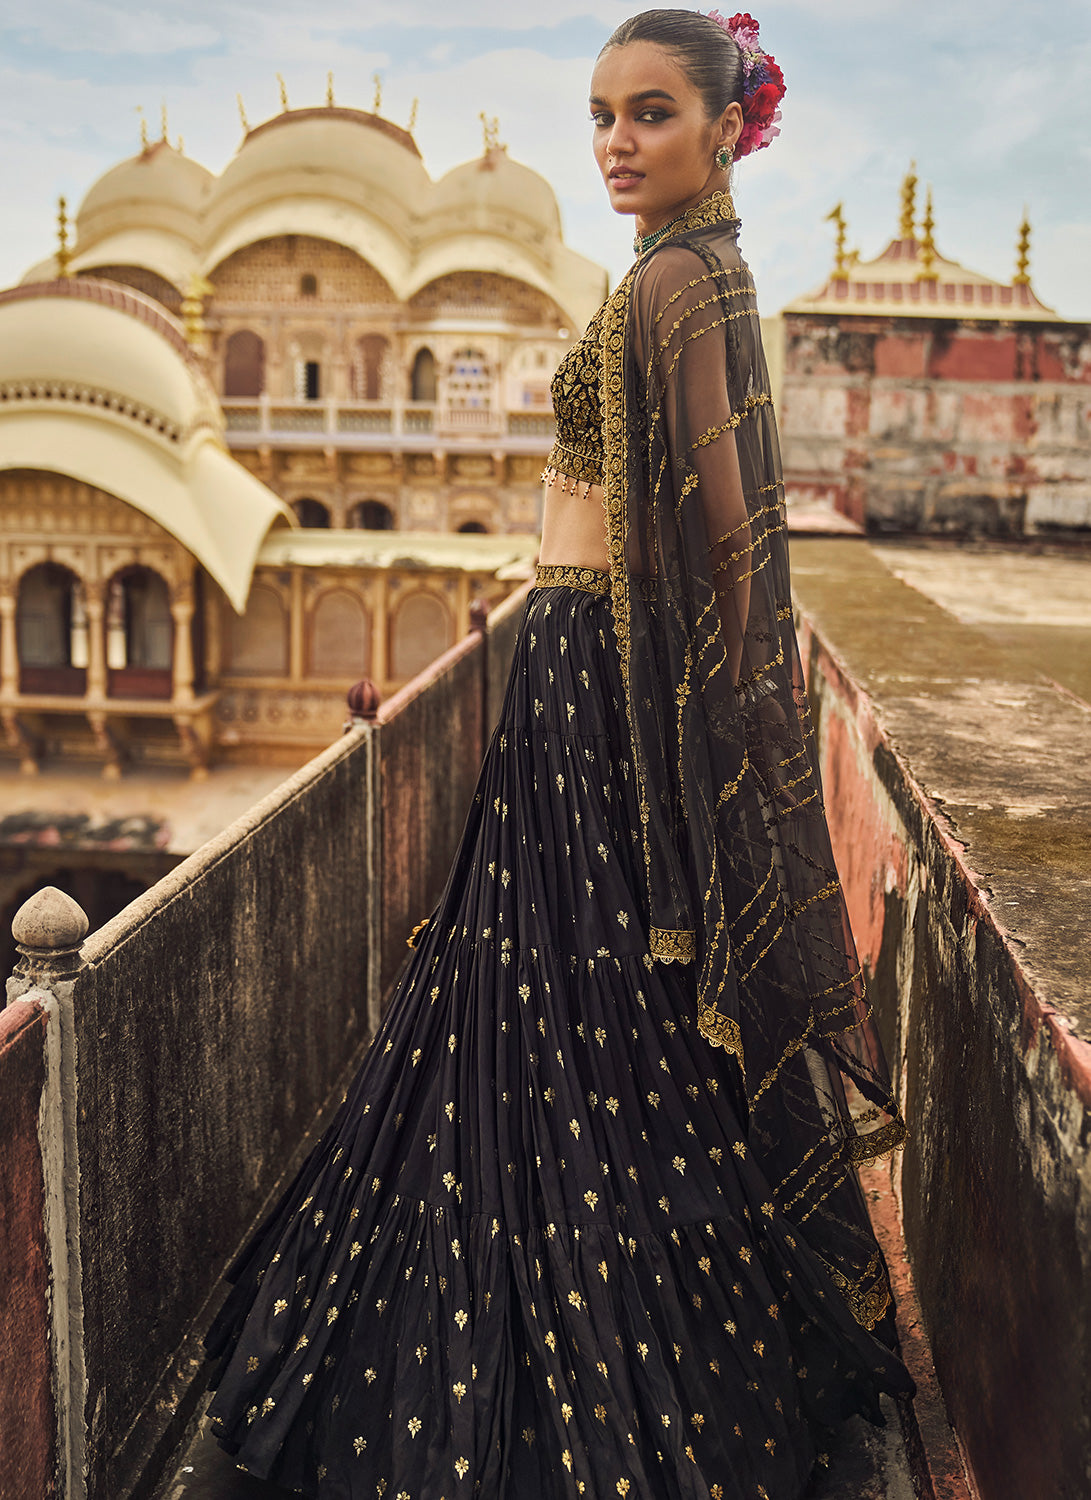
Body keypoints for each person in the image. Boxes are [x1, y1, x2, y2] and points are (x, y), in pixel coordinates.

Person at [205, 10, 915, 1497]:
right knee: (577, 1001)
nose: (614, 141)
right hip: (570, 661)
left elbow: (736, 536)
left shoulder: (677, 279)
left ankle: (605, 1351)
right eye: (600, 113)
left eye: (649, 113)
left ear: (726, 129)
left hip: (594, 681)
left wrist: (736, 729)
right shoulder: (685, 270)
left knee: (583, 1005)